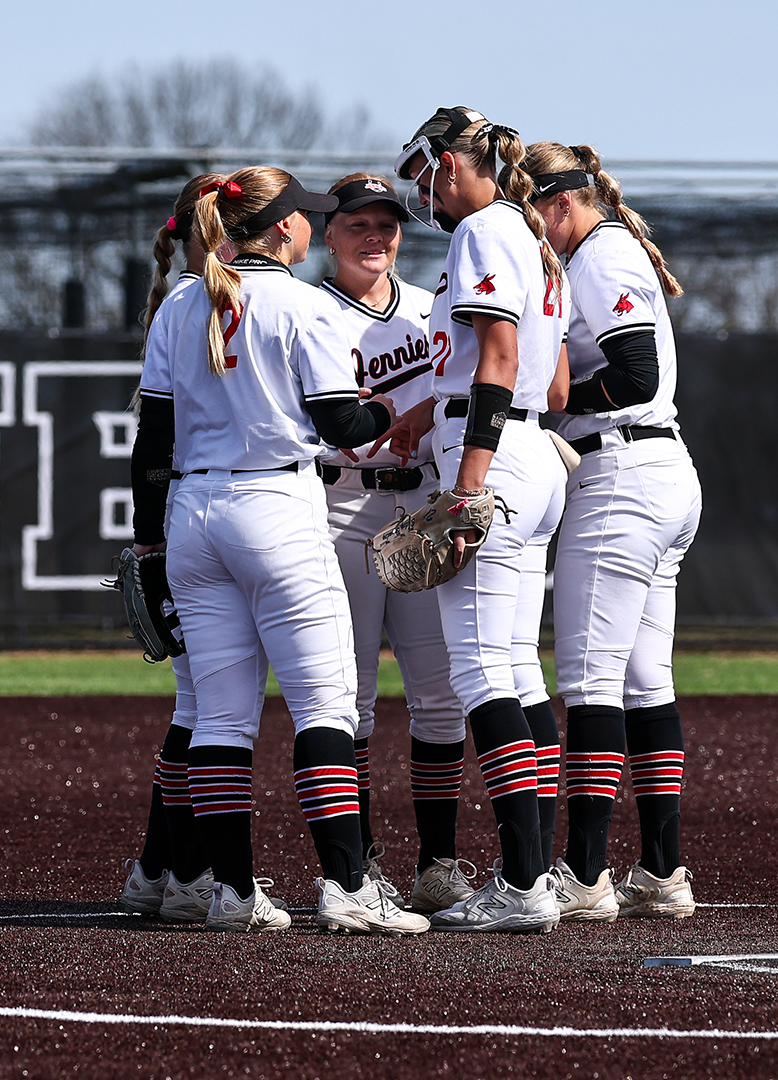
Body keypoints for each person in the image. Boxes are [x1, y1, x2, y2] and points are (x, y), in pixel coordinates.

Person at [129, 166, 428, 935]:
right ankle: (349, 887)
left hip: (194, 513)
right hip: (276, 509)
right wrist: (389, 409)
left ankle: (231, 892)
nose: (310, 227)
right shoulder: (300, 303)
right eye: (307, 218)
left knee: (221, 721)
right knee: (324, 705)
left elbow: (151, 443)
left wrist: (151, 542)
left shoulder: (181, 304)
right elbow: (338, 423)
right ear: (287, 229)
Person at [380, 107, 571, 932]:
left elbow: (497, 358)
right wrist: (431, 405)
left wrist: (469, 480)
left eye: (422, 171)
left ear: (450, 163)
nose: (419, 191)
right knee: (519, 671)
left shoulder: (484, 230)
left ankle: (525, 884)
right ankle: (536, 872)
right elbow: (553, 385)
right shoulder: (528, 233)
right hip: (528, 451)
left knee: (482, 673)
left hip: (494, 458)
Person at [524, 142, 702, 920]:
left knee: (592, 683)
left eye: (534, 213)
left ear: (562, 203)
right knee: (644, 679)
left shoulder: (597, 256)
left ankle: (586, 873)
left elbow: (634, 375)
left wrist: (551, 401)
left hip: (623, 474)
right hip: (659, 471)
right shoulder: (609, 249)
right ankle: (661, 872)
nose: (531, 232)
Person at [312, 173, 474, 914]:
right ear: (327, 234)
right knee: (350, 698)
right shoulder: (310, 313)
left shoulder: (427, 309)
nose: (374, 236)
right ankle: (363, 866)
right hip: (340, 505)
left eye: (387, 224)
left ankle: (438, 866)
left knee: (440, 698)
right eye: (357, 225)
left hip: (420, 502)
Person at [120, 173, 229, 924]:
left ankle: (157, 867)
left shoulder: (193, 302)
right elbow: (152, 443)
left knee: (199, 703)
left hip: (190, 518)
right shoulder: (195, 303)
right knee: (208, 705)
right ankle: (178, 869)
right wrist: (150, 539)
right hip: (204, 514)